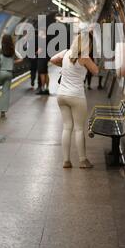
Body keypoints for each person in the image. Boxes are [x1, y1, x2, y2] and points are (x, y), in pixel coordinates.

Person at [51, 32, 99, 169]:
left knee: (67, 127)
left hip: (61, 96)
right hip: (76, 96)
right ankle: (83, 161)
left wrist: (65, 68)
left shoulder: (66, 53)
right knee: (78, 129)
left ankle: (66, 161)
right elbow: (96, 71)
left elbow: (53, 59)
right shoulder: (84, 58)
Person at [0, 34, 22, 118]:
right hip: (9, 73)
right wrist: (12, 62)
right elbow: (21, 58)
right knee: (6, 93)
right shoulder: (12, 50)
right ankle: (3, 112)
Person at [36, 29, 50, 95]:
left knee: (42, 74)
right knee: (46, 73)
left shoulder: (42, 40)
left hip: (41, 58)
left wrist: (35, 53)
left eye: (39, 32)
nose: (39, 33)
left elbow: (39, 51)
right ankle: (47, 89)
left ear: (43, 32)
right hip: (46, 58)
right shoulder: (47, 39)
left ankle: (42, 89)